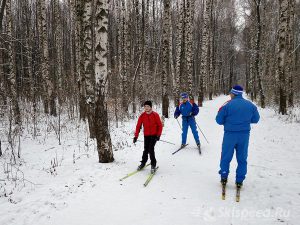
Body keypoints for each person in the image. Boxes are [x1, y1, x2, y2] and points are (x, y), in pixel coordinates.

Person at [216, 85, 260, 188]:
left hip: (229, 135)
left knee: (226, 157)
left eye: (230, 93)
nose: (230, 95)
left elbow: (219, 120)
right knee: (242, 158)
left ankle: (224, 176)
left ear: (234, 93)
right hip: (244, 135)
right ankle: (239, 180)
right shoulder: (250, 105)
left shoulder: (227, 105)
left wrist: (228, 121)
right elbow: (256, 119)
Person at [133, 101, 163, 173]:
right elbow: (138, 126)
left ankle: (153, 164)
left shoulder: (155, 115)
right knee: (146, 149)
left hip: (154, 135)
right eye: (145, 106)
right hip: (146, 135)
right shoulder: (142, 116)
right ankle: (143, 163)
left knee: (151, 149)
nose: (146, 108)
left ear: (150, 107)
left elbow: (160, 125)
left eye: (148, 106)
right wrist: (136, 136)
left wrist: (158, 135)